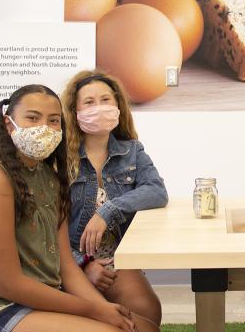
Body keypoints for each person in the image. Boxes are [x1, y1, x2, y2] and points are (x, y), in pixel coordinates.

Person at [0, 84, 142, 332]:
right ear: (9, 124)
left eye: (53, 120)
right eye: (32, 118)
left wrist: (104, 309)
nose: (44, 127)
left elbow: (67, 267)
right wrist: (94, 310)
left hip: (45, 298)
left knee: (140, 326)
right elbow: (8, 285)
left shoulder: (49, 177)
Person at [61, 70, 169, 331]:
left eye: (106, 100)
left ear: (118, 106)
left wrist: (108, 211)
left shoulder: (132, 150)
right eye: (89, 102)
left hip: (114, 259)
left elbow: (156, 190)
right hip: (69, 264)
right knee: (118, 322)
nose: (99, 107)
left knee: (147, 310)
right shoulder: (60, 159)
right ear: (74, 112)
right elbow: (48, 230)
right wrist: (83, 265)